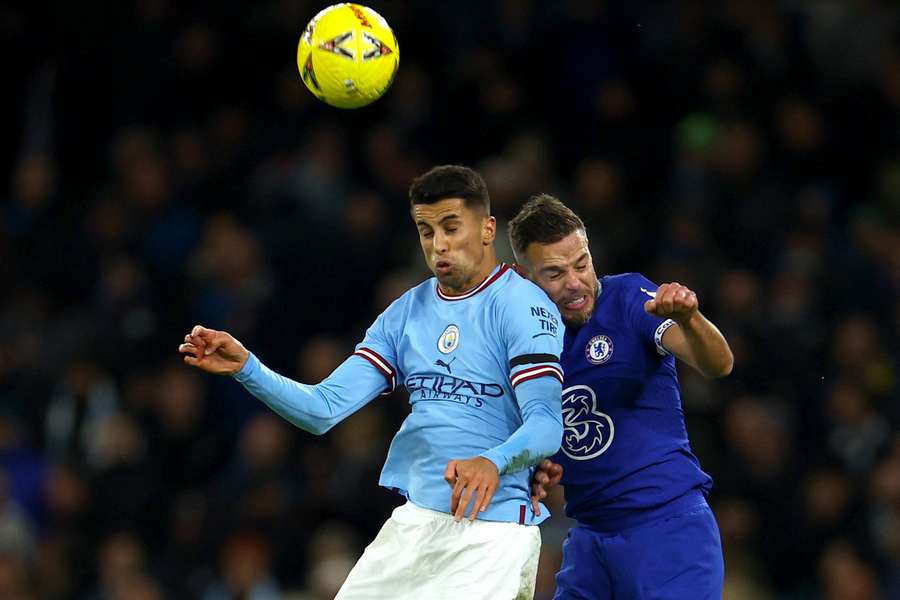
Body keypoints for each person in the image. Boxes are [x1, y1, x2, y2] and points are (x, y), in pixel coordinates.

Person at [179, 166, 565, 599]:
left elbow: (548, 422)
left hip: (492, 535)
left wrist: (493, 461)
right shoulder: (406, 313)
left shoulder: (522, 305)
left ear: (488, 228)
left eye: (451, 227)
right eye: (426, 230)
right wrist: (247, 367)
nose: (438, 244)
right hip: (415, 524)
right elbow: (322, 409)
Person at [509, 194, 733, 600]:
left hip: (668, 533)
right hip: (591, 542)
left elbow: (718, 364)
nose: (575, 283)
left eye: (582, 263)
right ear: (524, 278)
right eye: (555, 273)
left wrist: (691, 318)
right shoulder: (522, 347)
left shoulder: (629, 299)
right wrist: (534, 468)